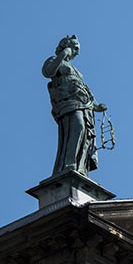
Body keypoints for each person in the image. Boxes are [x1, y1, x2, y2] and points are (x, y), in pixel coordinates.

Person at [42, 35, 107, 176]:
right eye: (75, 48)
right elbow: (47, 72)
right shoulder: (54, 60)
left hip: (84, 105)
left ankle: (79, 166)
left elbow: (84, 88)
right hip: (68, 102)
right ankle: (67, 163)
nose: (77, 52)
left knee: (85, 136)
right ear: (66, 46)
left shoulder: (75, 69)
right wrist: (63, 55)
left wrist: (96, 106)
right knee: (77, 126)